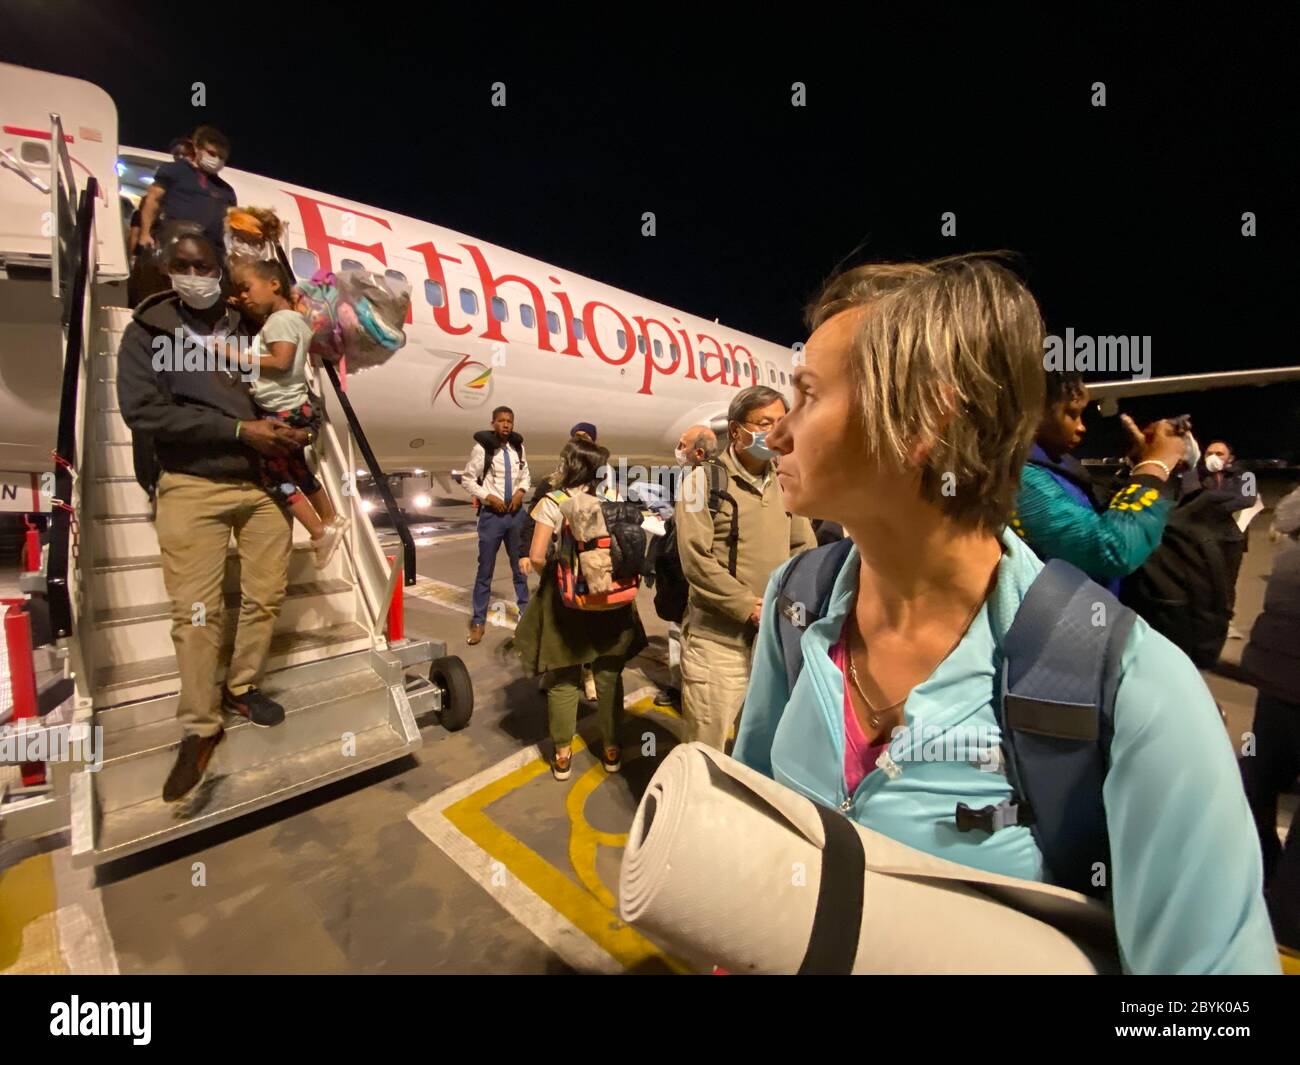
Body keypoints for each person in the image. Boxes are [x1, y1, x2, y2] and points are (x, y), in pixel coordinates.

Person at [732, 252, 1278, 973]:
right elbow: (751, 832)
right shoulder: (795, 603)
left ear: (922, 420)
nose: (777, 432)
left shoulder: (1136, 691)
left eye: (806, 395)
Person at [117, 233, 307, 803]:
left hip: (263, 483)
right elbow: (143, 411)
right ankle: (201, 728)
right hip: (192, 484)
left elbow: (289, 383)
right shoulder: (151, 331)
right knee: (197, 613)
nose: (197, 273)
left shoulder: (253, 322)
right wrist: (235, 429)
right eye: (184, 265)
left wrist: (302, 426)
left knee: (265, 596)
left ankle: (242, 686)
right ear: (168, 269)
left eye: (206, 265)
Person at [675, 386, 816, 750]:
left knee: (755, 741)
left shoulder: (784, 478)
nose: (775, 431)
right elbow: (696, 559)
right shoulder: (701, 482)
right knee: (707, 745)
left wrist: (794, 603)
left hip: (771, 639)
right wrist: (748, 606)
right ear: (736, 431)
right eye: (764, 423)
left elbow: (803, 546)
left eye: (781, 422)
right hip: (718, 645)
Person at [514, 437, 647, 780]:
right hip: (614, 602)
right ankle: (612, 750)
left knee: (563, 678)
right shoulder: (614, 496)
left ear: (570, 465)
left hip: (568, 605)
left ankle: (561, 755)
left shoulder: (553, 501)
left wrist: (562, 578)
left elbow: (539, 555)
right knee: (608, 674)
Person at [1012, 370, 1185, 593]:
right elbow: (1115, 549)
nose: (1082, 427)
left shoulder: (1048, 461)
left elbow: (1089, 508)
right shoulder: (1020, 479)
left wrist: (1138, 465)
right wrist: (1155, 466)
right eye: (1071, 414)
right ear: (1032, 411)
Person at [227, 258, 348, 565]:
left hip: (281, 412)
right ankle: (332, 519)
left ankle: (319, 532)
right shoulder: (291, 319)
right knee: (298, 470)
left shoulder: (279, 321)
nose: (242, 296)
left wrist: (233, 355)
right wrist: (244, 309)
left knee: (273, 479)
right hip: (295, 408)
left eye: (246, 288)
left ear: (274, 285)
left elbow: (280, 361)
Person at [1239, 483, 1300, 952]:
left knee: (1259, 778)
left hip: (1276, 669)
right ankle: (1286, 923)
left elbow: (1284, 515)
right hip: (1284, 664)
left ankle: (1256, 877)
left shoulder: (1292, 524)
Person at [648, 424, 718, 709]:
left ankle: (694, 691)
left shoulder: (710, 481)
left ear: (698, 452)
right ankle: (679, 687)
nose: (678, 450)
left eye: (683, 445)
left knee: (694, 635)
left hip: (696, 572)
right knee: (679, 632)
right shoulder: (688, 477)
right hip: (681, 569)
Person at [462, 406, 531, 644]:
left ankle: (526, 617)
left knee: (520, 568)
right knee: (485, 572)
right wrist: (488, 497)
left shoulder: (518, 448)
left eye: (509, 421)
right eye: (501, 421)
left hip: (516, 517)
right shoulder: (482, 449)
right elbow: (467, 479)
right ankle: (478, 621)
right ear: (493, 423)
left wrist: (521, 493)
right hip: (492, 518)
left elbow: (526, 475)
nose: (506, 425)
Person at [1183, 439, 1258, 638]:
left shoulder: (1246, 476)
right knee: (1200, 581)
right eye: (1209, 453)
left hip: (1231, 538)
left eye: (1220, 453)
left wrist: (1213, 502)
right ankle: (1200, 622)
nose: (1214, 457)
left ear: (1230, 458)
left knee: (1227, 583)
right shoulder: (1194, 475)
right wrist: (1225, 498)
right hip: (1202, 537)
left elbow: (1247, 499)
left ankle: (1226, 622)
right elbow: (1191, 499)